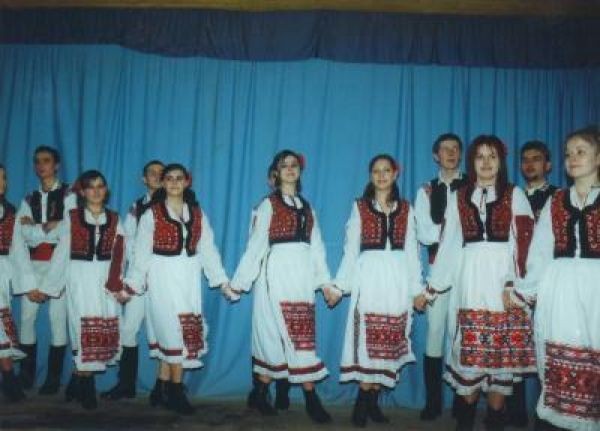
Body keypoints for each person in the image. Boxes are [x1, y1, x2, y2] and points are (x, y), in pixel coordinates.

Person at [427, 135, 536, 431]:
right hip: (470, 279)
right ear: (472, 162)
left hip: (504, 281)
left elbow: (525, 243)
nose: (486, 162)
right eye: (480, 156)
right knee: (469, 352)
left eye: (492, 156)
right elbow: (449, 244)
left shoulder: (514, 194)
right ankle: (465, 421)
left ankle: (495, 421)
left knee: (500, 359)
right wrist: (433, 286)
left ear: (501, 161)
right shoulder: (459, 196)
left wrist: (516, 284)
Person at [231, 150, 334, 423]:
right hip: (275, 274)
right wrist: (239, 283)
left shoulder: (308, 208)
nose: (290, 168)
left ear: (299, 171)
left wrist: (325, 283)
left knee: (302, 336)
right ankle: (306, 397)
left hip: (301, 277)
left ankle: (261, 393)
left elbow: (317, 249)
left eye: (294, 165)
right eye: (284, 165)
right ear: (275, 173)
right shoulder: (268, 205)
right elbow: (255, 246)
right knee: (272, 334)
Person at [330, 154, 428, 426]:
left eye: (386, 170)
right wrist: (339, 286)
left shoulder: (406, 209)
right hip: (369, 278)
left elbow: (412, 254)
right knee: (367, 340)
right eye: (376, 171)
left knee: (387, 342)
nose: (382, 175)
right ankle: (361, 404)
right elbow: (350, 250)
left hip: (397, 280)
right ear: (370, 175)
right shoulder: (360, 207)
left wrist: (416, 290)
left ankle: (373, 402)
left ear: (395, 173)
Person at [513, 126, 600, 431]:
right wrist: (524, 291)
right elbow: (540, 252)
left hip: (596, 290)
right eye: (568, 153)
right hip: (560, 289)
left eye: (581, 152)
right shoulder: (557, 200)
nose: (572, 158)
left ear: (598, 158)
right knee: (559, 354)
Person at [125, 163, 230, 415]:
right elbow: (141, 253)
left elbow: (207, 249)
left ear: (186, 182)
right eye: (169, 178)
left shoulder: (197, 213)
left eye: (178, 178)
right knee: (171, 332)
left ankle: (160, 388)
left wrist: (221, 281)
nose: (174, 182)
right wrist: (132, 284)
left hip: (188, 276)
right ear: (162, 183)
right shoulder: (151, 214)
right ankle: (175, 391)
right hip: (162, 276)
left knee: (179, 331)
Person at [40, 170, 128, 410]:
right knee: (82, 330)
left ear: (106, 190)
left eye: (100, 186)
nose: (96, 191)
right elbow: (61, 253)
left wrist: (116, 283)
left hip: (105, 278)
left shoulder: (114, 218)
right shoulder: (73, 217)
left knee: (102, 329)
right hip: (79, 279)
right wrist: (50, 286)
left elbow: (120, 252)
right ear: (82, 191)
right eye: (91, 186)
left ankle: (75, 382)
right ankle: (87, 387)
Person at [414, 133, 467, 420]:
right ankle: (433, 402)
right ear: (436, 155)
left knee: (462, 334)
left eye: (455, 148)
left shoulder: (473, 186)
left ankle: (463, 401)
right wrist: (455, 233)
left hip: (469, 271)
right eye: (445, 149)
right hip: (438, 270)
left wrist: (445, 232)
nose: (451, 153)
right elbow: (424, 232)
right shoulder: (426, 190)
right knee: (435, 333)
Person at [102, 160, 164, 401]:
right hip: (138, 279)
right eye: (152, 173)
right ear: (143, 179)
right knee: (128, 330)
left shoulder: (174, 204)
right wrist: (121, 278)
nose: (157, 176)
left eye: (161, 173)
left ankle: (163, 386)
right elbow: (125, 242)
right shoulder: (136, 207)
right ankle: (126, 384)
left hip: (163, 277)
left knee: (163, 331)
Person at [17, 146, 75, 394]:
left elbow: (69, 230)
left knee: (57, 319)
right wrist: (46, 227)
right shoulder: (29, 198)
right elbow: (21, 233)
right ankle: (26, 375)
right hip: (32, 265)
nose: (41, 165)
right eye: (37, 161)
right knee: (26, 319)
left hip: (60, 264)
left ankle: (53, 378)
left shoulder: (70, 194)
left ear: (57, 165)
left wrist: (36, 227)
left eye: (47, 160)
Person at [0, 164, 35, 402]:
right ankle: (9, 377)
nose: (1, 183)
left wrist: (28, 283)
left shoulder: (10, 211)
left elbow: (19, 251)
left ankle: (8, 379)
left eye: (3, 178)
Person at [520, 141, 558, 221]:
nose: (529, 164)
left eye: (536, 159)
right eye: (525, 160)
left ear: (548, 165)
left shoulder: (558, 196)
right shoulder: (515, 196)